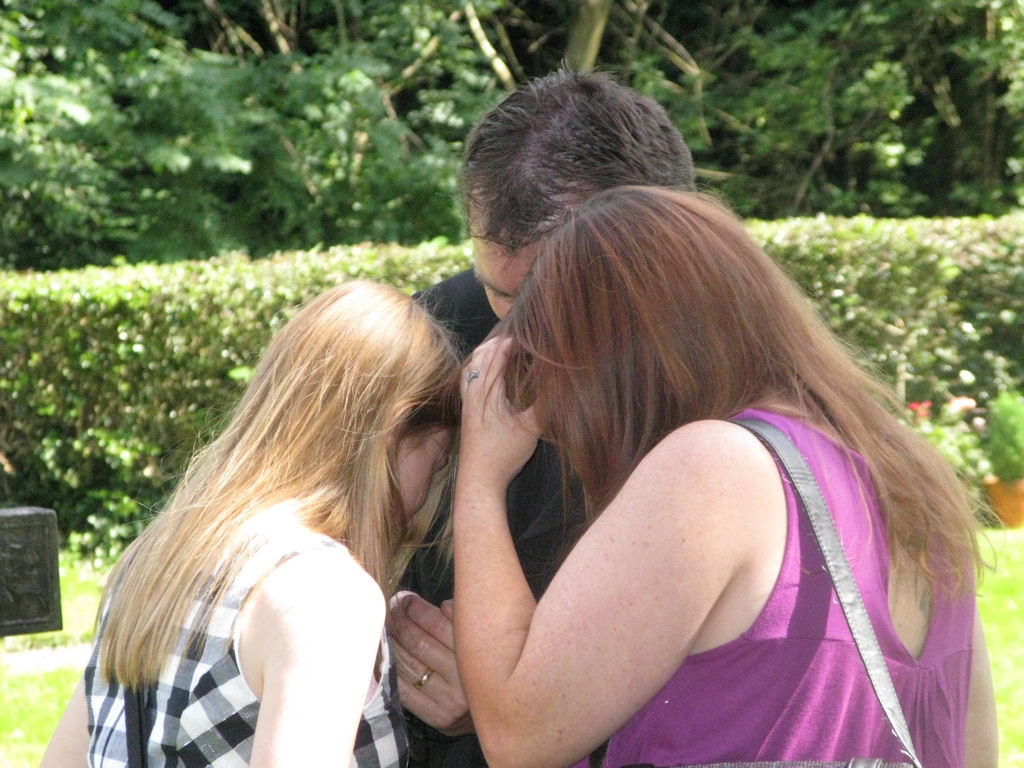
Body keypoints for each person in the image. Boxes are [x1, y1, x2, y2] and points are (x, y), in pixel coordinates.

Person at [453, 187, 999, 768]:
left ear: (614, 365)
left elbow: (517, 737)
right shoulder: (905, 472)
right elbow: (975, 748)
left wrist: (481, 476)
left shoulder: (712, 468)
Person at [390, 66, 697, 768]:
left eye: (555, 288)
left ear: (664, 245)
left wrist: (518, 697)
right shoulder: (424, 344)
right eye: (500, 293)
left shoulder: (729, 383)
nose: (521, 332)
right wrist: (393, 646)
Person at [40, 281, 460, 768]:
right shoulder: (325, 595)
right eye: (440, 461)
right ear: (395, 431)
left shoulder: (157, 560)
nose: (430, 492)